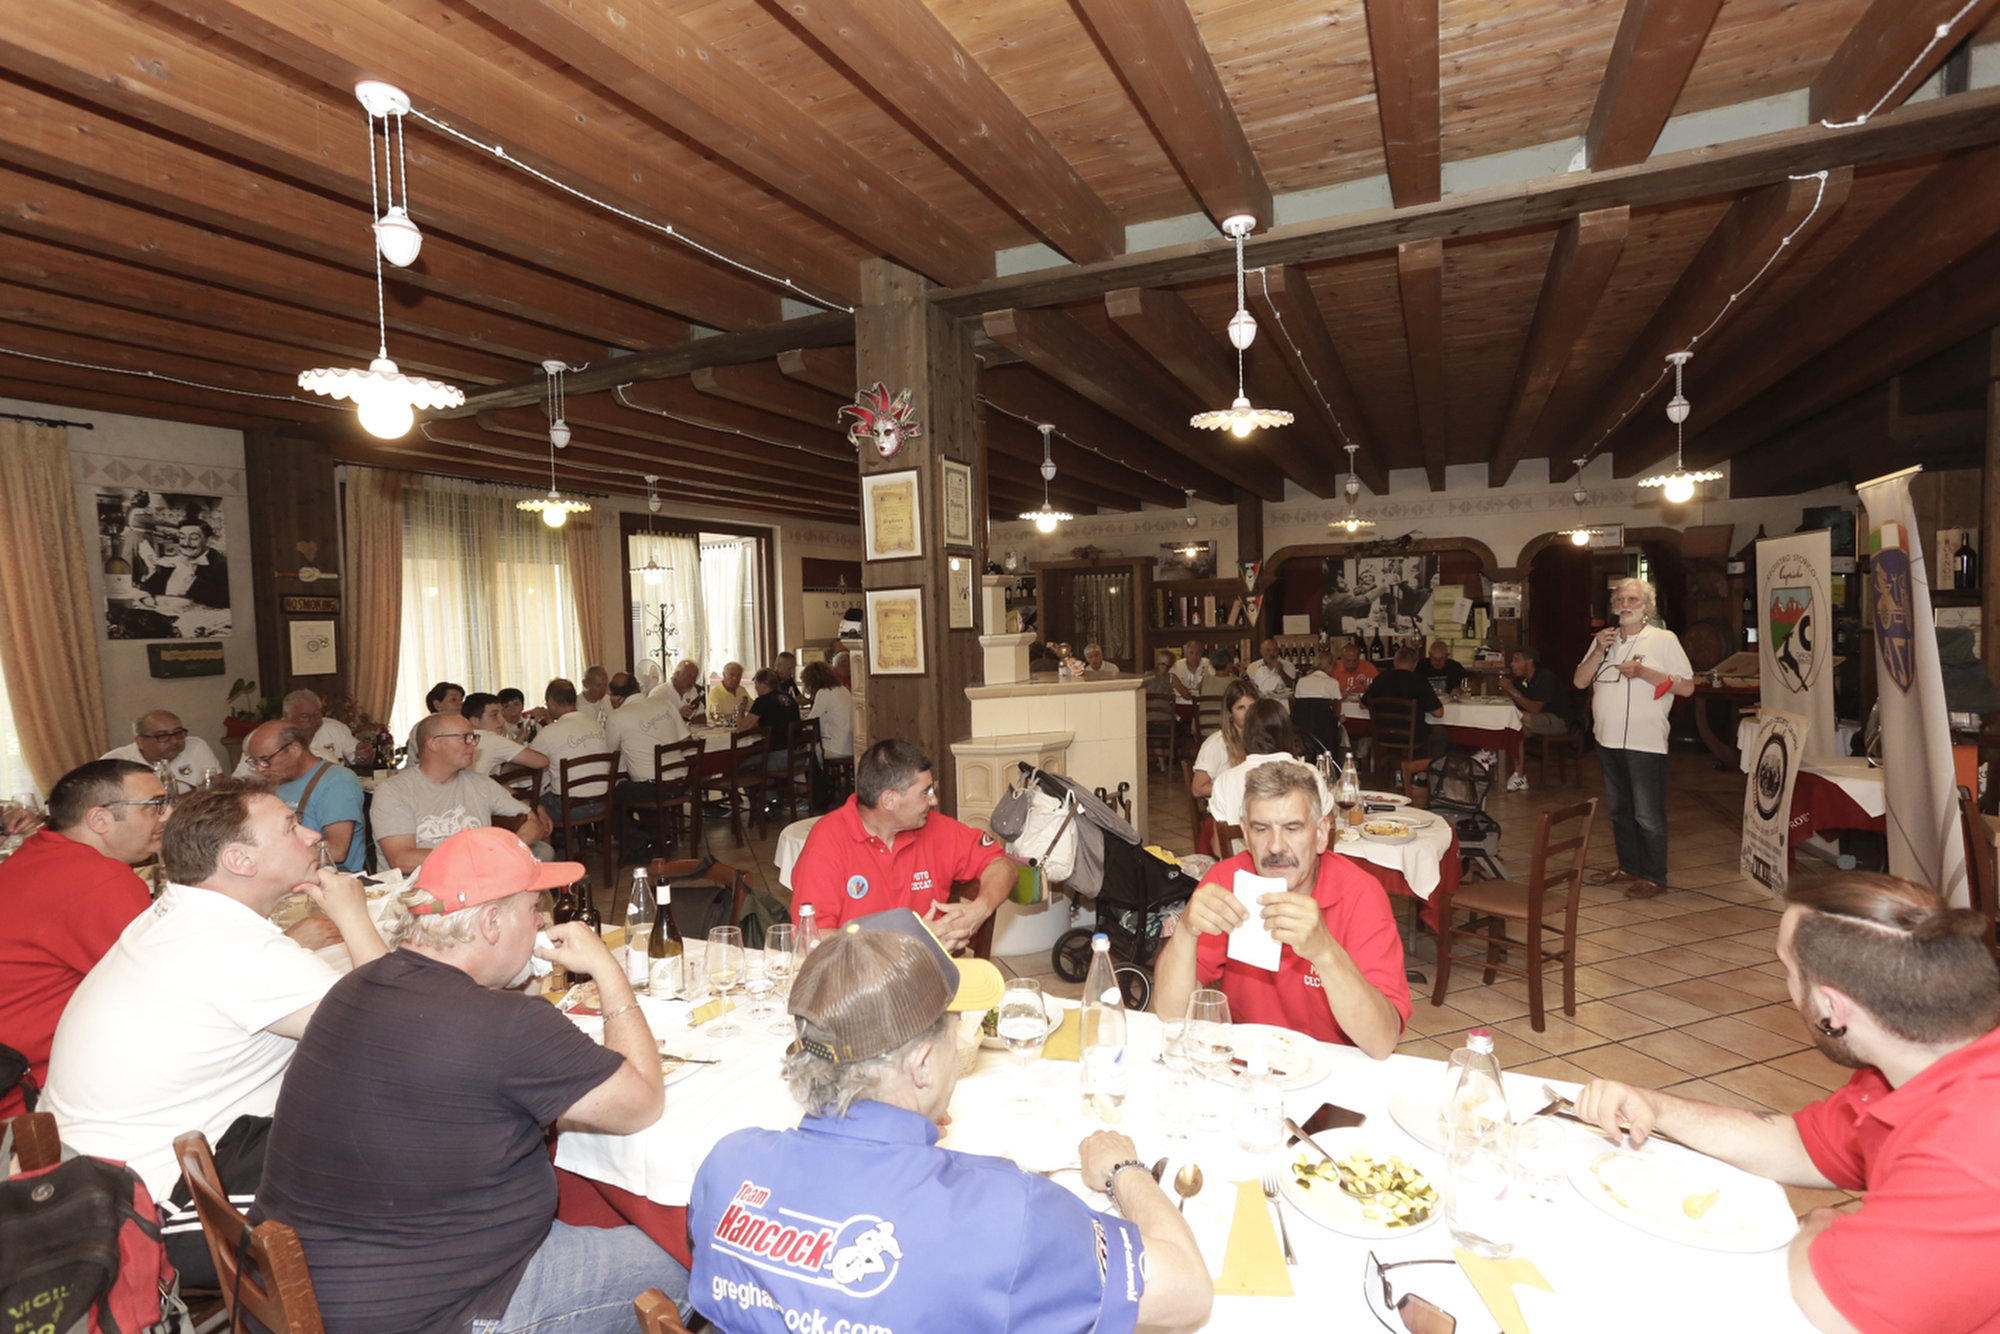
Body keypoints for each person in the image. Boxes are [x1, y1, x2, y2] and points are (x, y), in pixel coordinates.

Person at [687, 909, 1212, 1334]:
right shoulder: (1009, 1213)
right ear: (921, 1064)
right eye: (952, 1028)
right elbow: (1188, 1291)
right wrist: (1124, 1169)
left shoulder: (726, 1165)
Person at [254, 828, 690, 1334]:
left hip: (303, 1289)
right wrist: (605, 968)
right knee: (686, 1264)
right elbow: (640, 1102)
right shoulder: (506, 1024)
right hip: (431, 1314)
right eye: (533, 909)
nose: (542, 923)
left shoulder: (353, 986)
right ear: (490, 922)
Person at [1573, 873, 2000, 1334]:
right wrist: (1656, 1108)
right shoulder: (1905, 1069)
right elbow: (1799, 1146)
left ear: (1833, 1009)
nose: (1789, 988)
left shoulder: (1971, 1144)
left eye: (1789, 971)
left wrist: (1819, 1228)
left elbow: (1836, 1309)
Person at [43, 782, 387, 1282]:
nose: (313, 835)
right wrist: (355, 916)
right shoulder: (233, 948)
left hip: (85, 1179)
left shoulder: (179, 916)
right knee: (411, 1140)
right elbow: (394, 1035)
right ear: (240, 861)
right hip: (148, 1211)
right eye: (291, 827)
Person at [1153, 761, 1408, 1058]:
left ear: (1321, 834)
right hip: (1248, 1062)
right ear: (1245, 833)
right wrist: (1186, 931)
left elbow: (1381, 1042)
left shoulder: (1360, 894)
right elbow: (1171, 1013)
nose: (1275, 846)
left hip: (1335, 1067)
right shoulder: (1227, 881)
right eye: (1262, 829)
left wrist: (1325, 952)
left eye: (1292, 828)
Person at [0, 759, 166, 1117]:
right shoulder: (99, 879)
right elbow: (171, 990)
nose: (167, 816)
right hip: (27, 1095)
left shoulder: (38, 851)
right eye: (154, 806)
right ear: (99, 820)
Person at [788, 740, 1014, 951]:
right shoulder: (828, 841)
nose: (934, 800)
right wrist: (911, 940)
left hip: (931, 972)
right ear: (889, 800)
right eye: (925, 793)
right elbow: (811, 940)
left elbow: (1002, 865)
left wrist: (979, 909)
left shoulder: (934, 828)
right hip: (857, 975)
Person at [1574, 576, 1692, 898]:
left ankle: (1654, 877)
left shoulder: (1664, 639)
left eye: (1633, 600)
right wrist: (1599, 649)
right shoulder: (1604, 640)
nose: (1625, 605)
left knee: (1647, 815)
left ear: (1647, 606)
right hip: (1607, 739)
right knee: (1619, 812)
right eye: (1620, 600)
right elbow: (1580, 682)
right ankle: (1628, 867)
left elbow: (1686, 687)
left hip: (1645, 741)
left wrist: (1644, 673)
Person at [372, 712, 553, 872]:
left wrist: (513, 847)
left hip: (477, 884)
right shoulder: (394, 791)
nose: (473, 744)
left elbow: (531, 820)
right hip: (417, 890)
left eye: (473, 737)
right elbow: (402, 859)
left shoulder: (480, 784)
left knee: (543, 852)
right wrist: (478, 858)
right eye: (465, 738)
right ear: (434, 743)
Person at [244, 721, 367, 874]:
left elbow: (336, 850)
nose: (259, 768)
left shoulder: (337, 781)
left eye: (265, 760)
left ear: (295, 749)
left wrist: (270, 853)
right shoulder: (276, 783)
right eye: (255, 762)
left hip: (330, 878)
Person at [1207, 699, 1334, 836]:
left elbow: (1218, 844)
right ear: (1288, 734)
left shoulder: (1224, 781)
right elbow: (1329, 828)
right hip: (1298, 851)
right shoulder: (1310, 774)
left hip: (1243, 850)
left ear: (1246, 735)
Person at [531, 678, 612, 825]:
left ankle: (558, 841)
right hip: (602, 802)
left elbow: (527, 760)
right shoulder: (595, 724)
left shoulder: (549, 733)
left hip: (568, 808)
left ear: (551, 702)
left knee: (530, 807)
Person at [103, 709, 224, 790]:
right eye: (162, 736)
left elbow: (218, 789)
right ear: (140, 742)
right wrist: (196, 794)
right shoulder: (115, 762)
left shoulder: (196, 746)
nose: (174, 741)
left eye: (178, 733)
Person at [1364, 645, 1447, 756]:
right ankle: (1430, 764)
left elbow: (1362, 704)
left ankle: (1393, 761)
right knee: (1440, 732)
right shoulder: (1419, 681)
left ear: (1395, 662)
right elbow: (1438, 713)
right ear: (1415, 663)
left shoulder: (1380, 678)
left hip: (1383, 734)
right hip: (1412, 736)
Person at [1189, 677, 1261, 801]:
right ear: (1229, 713)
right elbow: (1198, 789)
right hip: (1224, 809)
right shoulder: (1216, 743)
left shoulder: (1263, 739)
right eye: (1241, 708)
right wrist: (1236, 787)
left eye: (1252, 707)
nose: (1248, 713)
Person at [137, 517, 228, 608]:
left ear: (208, 540)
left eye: (194, 538)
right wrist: (151, 569)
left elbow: (222, 602)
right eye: (182, 537)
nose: (186, 543)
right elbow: (152, 593)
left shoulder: (221, 565)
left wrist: (190, 579)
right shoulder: (173, 560)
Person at [463, 691, 551, 777]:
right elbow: (542, 761)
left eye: (502, 713)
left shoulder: (461, 738)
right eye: (494, 715)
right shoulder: (492, 739)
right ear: (474, 721)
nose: (502, 720)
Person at [1498, 645, 1572, 737]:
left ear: (1529, 661)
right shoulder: (1522, 679)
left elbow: (1535, 708)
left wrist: (1511, 689)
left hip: (1558, 721)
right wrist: (1506, 688)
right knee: (1512, 726)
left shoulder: (1544, 677)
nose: (1511, 664)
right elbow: (1507, 699)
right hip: (1535, 719)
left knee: (1515, 716)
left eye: (1516, 660)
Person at [401, 680, 467, 765]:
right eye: (453, 700)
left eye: (461, 699)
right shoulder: (426, 726)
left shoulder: (462, 724)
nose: (460, 703)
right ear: (437, 705)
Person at [800, 659, 854, 760]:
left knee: (805, 751)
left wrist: (802, 719)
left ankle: (811, 771)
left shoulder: (823, 692)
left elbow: (811, 723)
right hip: (850, 746)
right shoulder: (843, 689)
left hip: (834, 748)